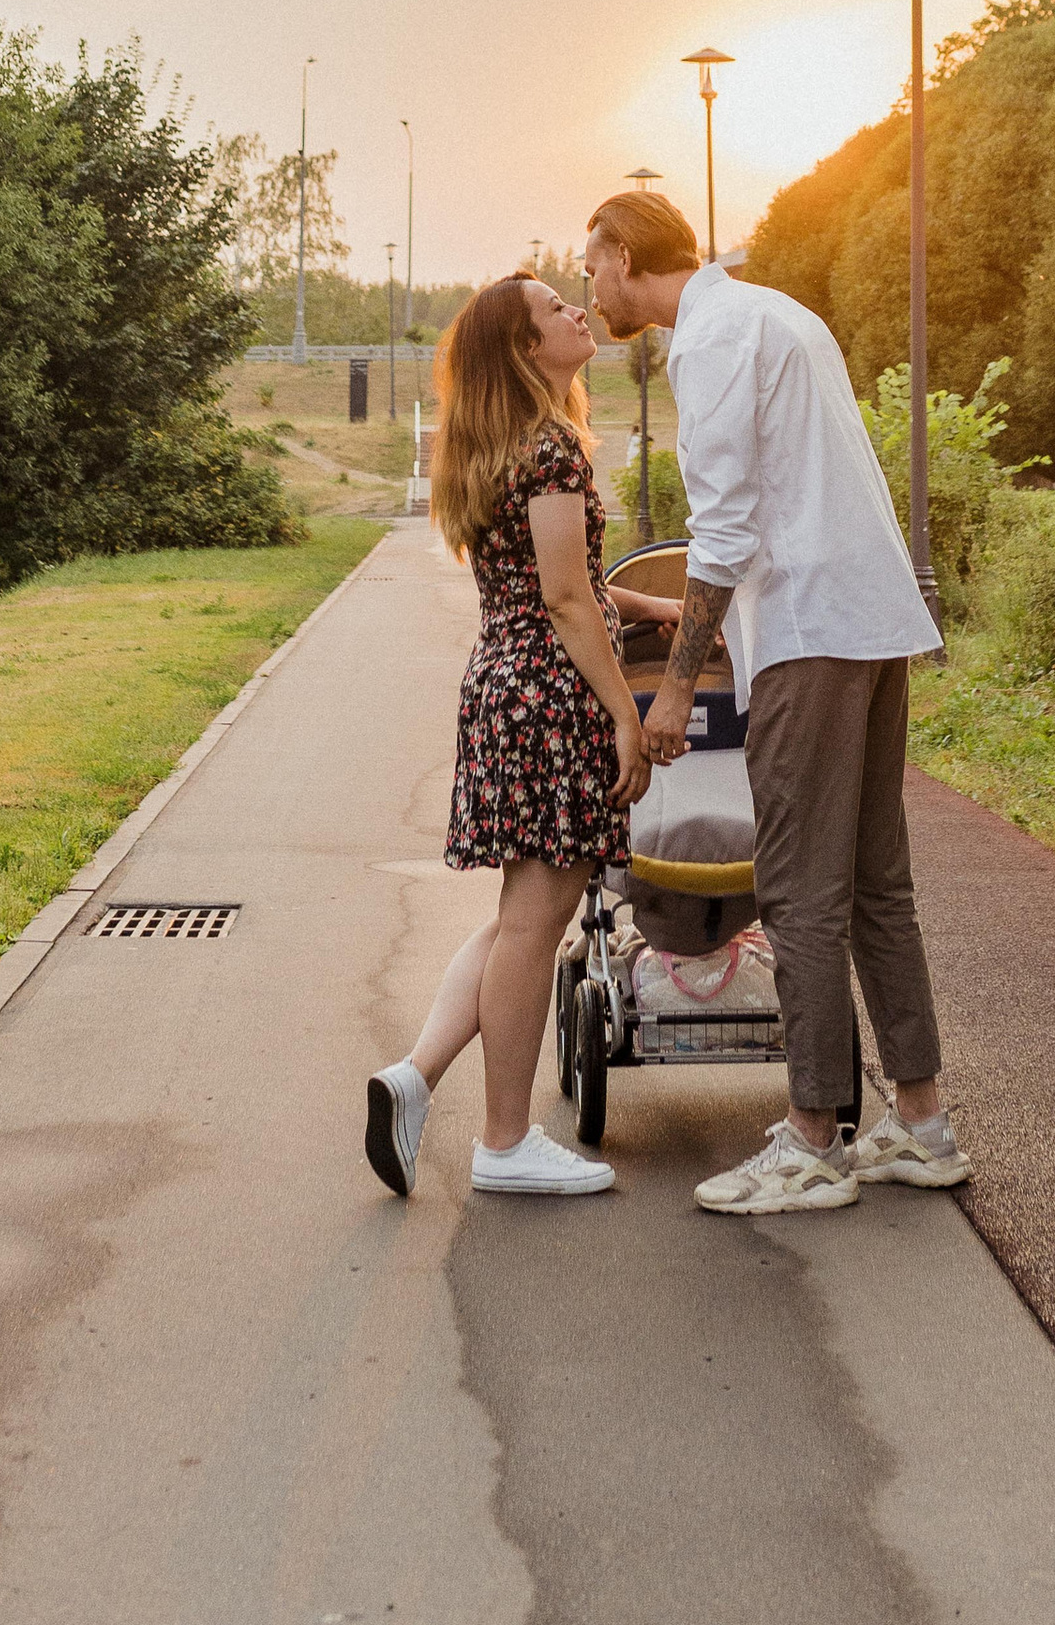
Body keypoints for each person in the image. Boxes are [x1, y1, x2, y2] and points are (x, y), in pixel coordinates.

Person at [582, 186, 970, 1216]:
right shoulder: (779, 314)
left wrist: (672, 694)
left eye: (590, 266)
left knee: (798, 889)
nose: (590, 285)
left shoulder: (706, 342)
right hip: (866, 619)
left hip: (802, 634)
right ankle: (921, 1123)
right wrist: (670, 610)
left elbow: (726, 532)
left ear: (624, 255)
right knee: (876, 884)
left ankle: (810, 1140)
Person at [364, 270, 650, 1201]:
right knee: (535, 927)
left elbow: (561, 581)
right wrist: (624, 714)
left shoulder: (498, 447)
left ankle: (414, 1078)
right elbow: (567, 601)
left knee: (517, 921)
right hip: (551, 695)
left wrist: (667, 608)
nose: (578, 312)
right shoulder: (555, 449)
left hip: (500, 685)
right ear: (530, 350)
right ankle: (504, 1141)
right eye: (555, 310)